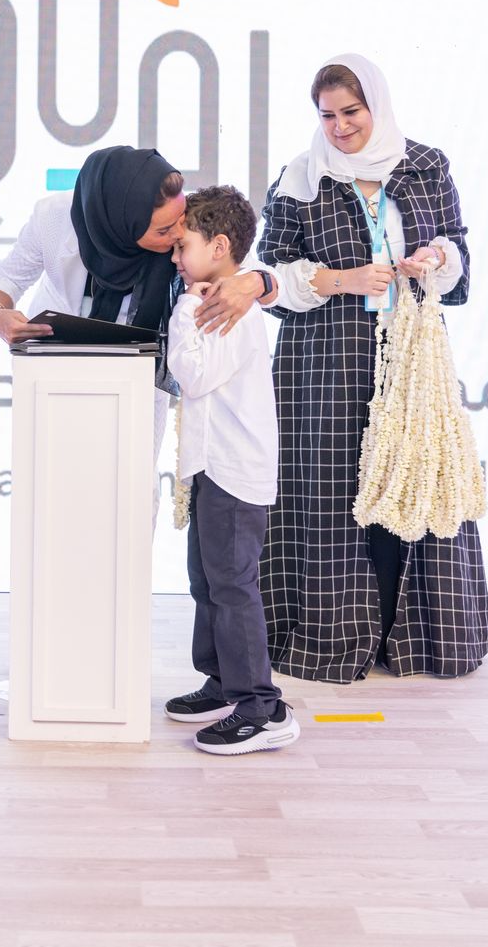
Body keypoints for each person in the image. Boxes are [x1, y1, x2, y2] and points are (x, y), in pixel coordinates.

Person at [257, 53, 488, 683]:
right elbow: (271, 274)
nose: (339, 127)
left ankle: (416, 639)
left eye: (351, 112)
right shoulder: (300, 178)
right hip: (322, 361)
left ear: (377, 107)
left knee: (414, 480)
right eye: (327, 115)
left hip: (410, 359)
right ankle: (332, 638)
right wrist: (342, 279)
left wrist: (436, 256)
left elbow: (460, 251)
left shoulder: (425, 166)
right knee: (331, 497)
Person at [162, 185, 298, 755]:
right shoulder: (209, 300)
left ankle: (260, 706)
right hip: (211, 465)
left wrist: (183, 310)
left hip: (234, 471)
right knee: (207, 581)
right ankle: (221, 681)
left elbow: (192, 376)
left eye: (182, 245)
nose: (174, 256)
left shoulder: (221, 308)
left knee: (232, 586)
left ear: (219, 246)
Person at [0, 145, 277, 349]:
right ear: (121, 227)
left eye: (181, 219)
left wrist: (256, 282)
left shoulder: (174, 209)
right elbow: (7, 279)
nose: (178, 234)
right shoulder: (53, 218)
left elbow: (255, 274)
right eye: (163, 230)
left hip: (139, 373)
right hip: (55, 363)